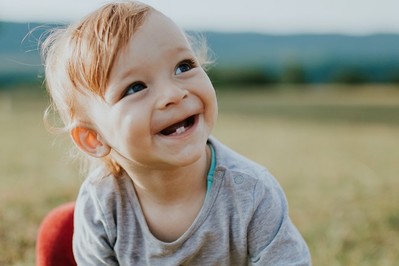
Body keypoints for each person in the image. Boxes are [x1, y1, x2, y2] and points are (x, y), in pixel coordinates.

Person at [40, 1, 311, 265]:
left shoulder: (252, 193)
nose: (173, 94)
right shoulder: (102, 202)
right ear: (94, 138)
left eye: (184, 66)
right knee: (59, 229)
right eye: (135, 87)